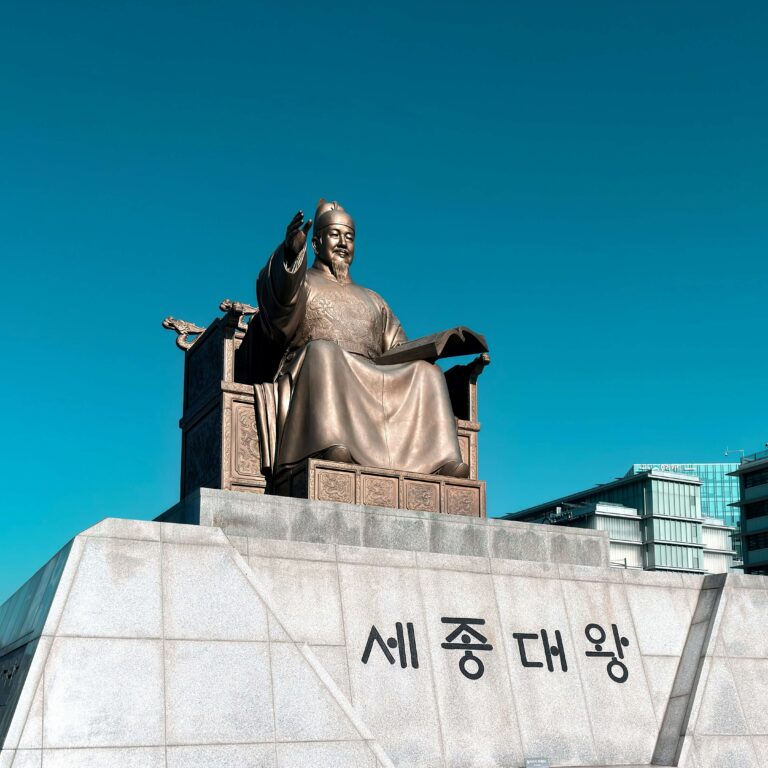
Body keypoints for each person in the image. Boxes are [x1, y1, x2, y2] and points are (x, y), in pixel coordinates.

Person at [249, 199, 469, 479]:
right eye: (335, 235)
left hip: (372, 375)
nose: (343, 243)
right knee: (324, 352)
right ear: (315, 244)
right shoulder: (302, 283)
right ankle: (328, 443)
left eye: (349, 237)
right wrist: (290, 256)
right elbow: (278, 306)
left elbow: (397, 348)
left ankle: (441, 460)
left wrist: (435, 348)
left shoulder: (373, 300)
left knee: (428, 373)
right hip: (315, 369)